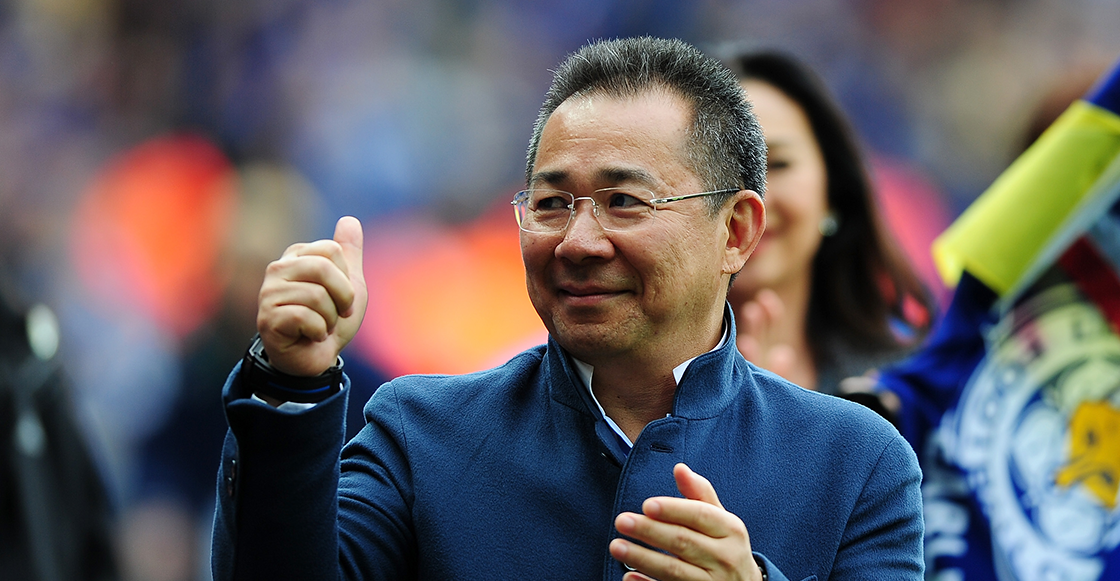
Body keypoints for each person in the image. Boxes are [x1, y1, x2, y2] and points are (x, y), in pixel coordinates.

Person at [211, 37, 923, 581]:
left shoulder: (856, 462)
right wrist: (290, 382)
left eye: (625, 201)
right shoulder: (422, 435)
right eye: (552, 203)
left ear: (735, 231)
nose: (578, 242)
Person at [724, 50, 935, 396]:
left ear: (832, 190)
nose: (753, 202)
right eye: (720, 169)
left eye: (778, 164)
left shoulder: (904, 392)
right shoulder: (633, 392)